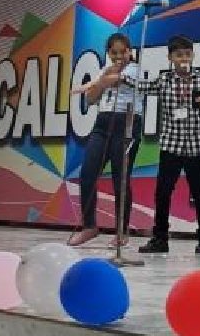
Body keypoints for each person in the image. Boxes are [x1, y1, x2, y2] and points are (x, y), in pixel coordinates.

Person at [120, 35, 200, 255]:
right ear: (170, 58)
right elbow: (143, 87)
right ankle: (160, 239)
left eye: (187, 54)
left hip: (197, 146)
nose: (183, 58)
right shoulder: (165, 80)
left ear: (193, 56)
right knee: (163, 193)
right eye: (178, 55)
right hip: (171, 146)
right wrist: (121, 77)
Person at [68, 32, 143, 247]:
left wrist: (98, 83)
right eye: (114, 52)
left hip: (126, 124)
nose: (119, 56)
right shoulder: (104, 70)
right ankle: (89, 225)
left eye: (123, 52)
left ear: (130, 51)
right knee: (88, 173)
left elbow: (111, 81)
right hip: (102, 124)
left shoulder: (135, 69)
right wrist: (99, 83)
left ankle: (122, 231)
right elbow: (91, 99)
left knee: (121, 179)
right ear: (108, 53)